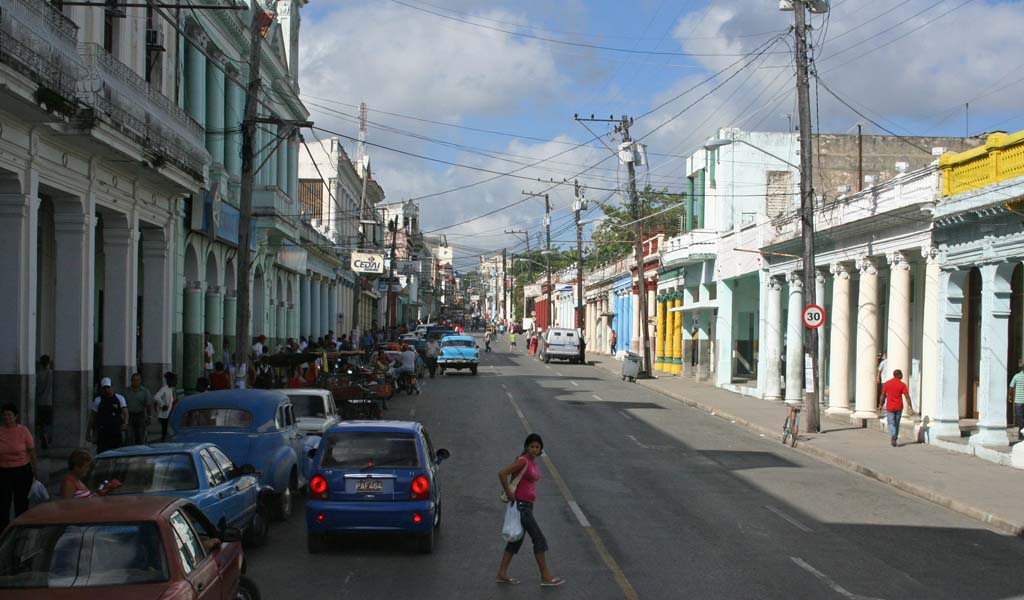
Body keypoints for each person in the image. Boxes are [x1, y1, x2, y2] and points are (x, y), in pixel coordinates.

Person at [495, 433, 563, 587]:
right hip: (522, 506)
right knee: (538, 539)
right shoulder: (523, 460)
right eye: (532, 446)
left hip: (527, 506)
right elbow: (502, 473)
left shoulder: (532, 462)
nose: (534, 449)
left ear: (540, 450)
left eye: (537, 447)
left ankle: (502, 573)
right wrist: (510, 493)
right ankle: (546, 576)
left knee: (516, 541)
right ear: (526, 447)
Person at [0, 403, 39, 531]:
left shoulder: (23, 431)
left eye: (9, 415)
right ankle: (4, 530)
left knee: (21, 502)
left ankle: (21, 529)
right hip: (3, 471)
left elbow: (31, 451)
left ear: (15, 416)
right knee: (3, 502)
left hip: (21, 470)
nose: (7, 418)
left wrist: (36, 470)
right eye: (4, 415)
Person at [89, 378, 128, 454]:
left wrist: (125, 423)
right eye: (105, 388)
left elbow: (125, 412)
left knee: (117, 451)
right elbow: (92, 416)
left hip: (116, 430)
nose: (107, 390)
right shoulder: (98, 400)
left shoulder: (119, 398)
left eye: (108, 387)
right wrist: (89, 431)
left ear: (112, 387)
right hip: (103, 431)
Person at [878, 369, 914, 447]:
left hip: (890, 407)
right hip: (899, 407)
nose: (902, 376)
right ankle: (894, 437)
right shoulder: (902, 385)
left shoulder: (887, 383)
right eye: (901, 374)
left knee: (891, 423)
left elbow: (882, 395)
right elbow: (907, 396)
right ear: (899, 375)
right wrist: (910, 406)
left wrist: (880, 404)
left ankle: (893, 435)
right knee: (897, 423)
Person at [122, 373, 151, 446]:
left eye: (137, 380)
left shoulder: (145, 392)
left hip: (140, 415)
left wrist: (149, 417)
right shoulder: (125, 391)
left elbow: (148, 405)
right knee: (128, 436)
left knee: (140, 436)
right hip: (129, 416)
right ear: (131, 381)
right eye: (134, 380)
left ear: (140, 381)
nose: (135, 382)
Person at [35, 354, 54, 450]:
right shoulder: (52, 373)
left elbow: (37, 389)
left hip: (40, 402)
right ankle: (49, 438)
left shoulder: (38, 374)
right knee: (49, 422)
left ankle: (43, 436)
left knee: (41, 423)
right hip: (50, 402)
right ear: (49, 362)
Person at [153, 372, 177, 442]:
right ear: (170, 381)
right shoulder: (164, 389)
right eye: (174, 380)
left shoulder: (171, 389)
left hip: (169, 413)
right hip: (164, 415)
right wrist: (163, 405)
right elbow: (156, 397)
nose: (176, 382)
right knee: (165, 430)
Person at [1010, 360, 1024, 440]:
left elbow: (1011, 387)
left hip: (1019, 401)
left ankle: (1021, 435)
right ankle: (1021, 435)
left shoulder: (1016, 376)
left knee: (1019, 419)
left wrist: (1010, 396)